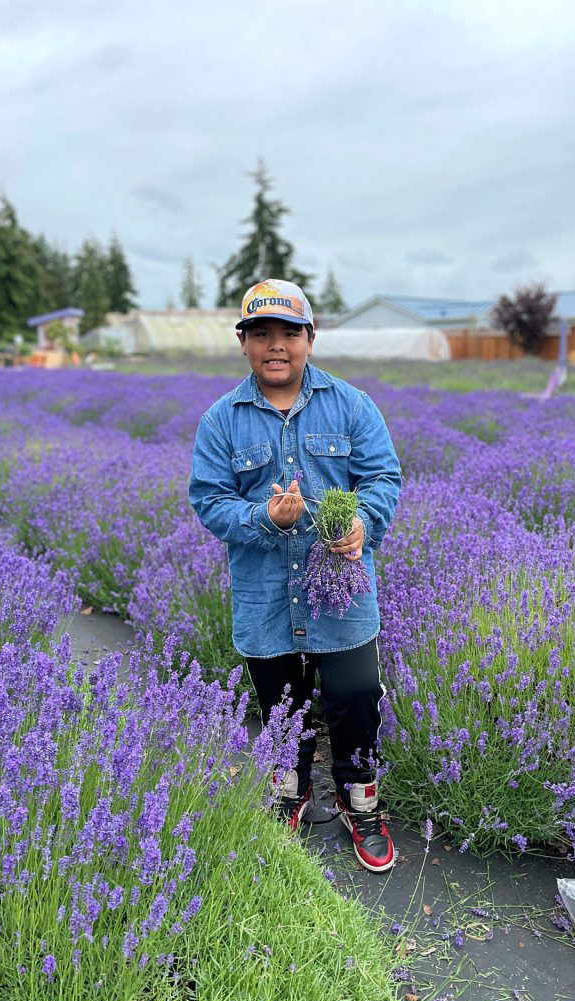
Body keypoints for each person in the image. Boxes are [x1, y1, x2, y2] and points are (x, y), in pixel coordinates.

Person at [188, 279, 401, 872]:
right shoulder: (221, 419)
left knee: (355, 694)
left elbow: (384, 478)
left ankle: (361, 798)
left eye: (288, 333)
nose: (275, 345)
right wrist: (263, 517)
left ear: (310, 338)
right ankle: (292, 787)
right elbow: (208, 501)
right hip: (266, 592)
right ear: (244, 344)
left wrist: (362, 521)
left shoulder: (352, 405)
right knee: (281, 701)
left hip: (342, 592)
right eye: (261, 334)